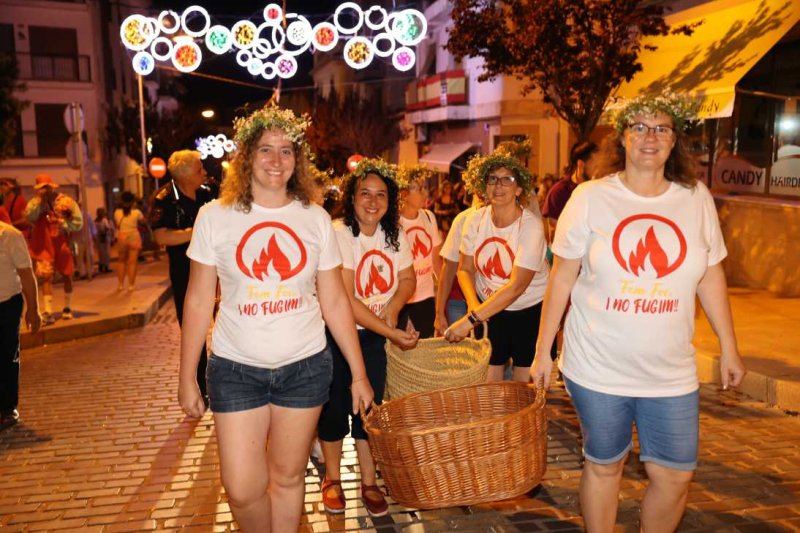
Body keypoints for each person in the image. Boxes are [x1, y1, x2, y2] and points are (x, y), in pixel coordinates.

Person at [530, 92, 747, 532]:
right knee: (605, 465)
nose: (651, 136)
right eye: (640, 127)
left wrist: (730, 347)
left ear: (674, 141)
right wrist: (541, 354)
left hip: (670, 371)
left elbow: (709, 275)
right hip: (598, 367)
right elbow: (562, 278)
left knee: (675, 474)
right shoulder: (591, 197)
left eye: (662, 128)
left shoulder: (695, 198)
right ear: (622, 138)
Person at [178, 105, 373, 532]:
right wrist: (186, 375)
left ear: (297, 160)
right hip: (235, 370)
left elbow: (336, 302)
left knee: (287, 479)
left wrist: (358, 373)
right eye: (265, 149)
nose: (276, 160)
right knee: (243, 488)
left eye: (286, 151)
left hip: (304, 368)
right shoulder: (215, 216)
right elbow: (197, 300)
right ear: (247, 156)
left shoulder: (315, 219)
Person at [318, 158, 419, 518]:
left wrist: (391, 312)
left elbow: (408, 280)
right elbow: (345, 299)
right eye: (365, 194)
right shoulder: (338, 233)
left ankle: (369, 480)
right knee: (333, 408)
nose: (373, 202)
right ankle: (332, 478)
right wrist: (390, 330)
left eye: (381, 195)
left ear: (390, 200)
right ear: (352, 197)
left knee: (370, 410)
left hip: (375, 338)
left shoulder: (397, 235)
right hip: (335, 336)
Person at [443, 154, 554, 382]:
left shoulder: (530, 226)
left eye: (507, 180)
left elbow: (516, 287)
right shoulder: (474, 220)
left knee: (524, 388)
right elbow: (464, 269)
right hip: (488, 307)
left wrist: (470, 320)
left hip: (530, 309)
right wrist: (474, 305)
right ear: (484, 186)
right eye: (492, 179)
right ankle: (496, 420)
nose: (498, 185)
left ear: (519, 190)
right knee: (489, 383)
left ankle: (520, 419)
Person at [150, 150, 215, 402]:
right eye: (200, 169)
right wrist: (197, 232)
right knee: (192, 327)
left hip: (215, 268)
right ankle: (201, 385)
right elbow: (161, 236)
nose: (205, 173)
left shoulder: (209, 192)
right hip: (184, 271)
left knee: (221, 323)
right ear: (186, 175)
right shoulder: (165, 198)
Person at [24, 174, 83, 322]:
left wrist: (63, 224)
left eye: (46, 187)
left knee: (67, 274)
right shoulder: (35, 202)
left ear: (52, 186)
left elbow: (78, 223)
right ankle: (48, 312)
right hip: (43, 244)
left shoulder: (66, 202)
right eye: (40, 188)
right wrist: (39, 201)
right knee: (46, 277)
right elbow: (29, 216)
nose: (44, 190)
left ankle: (67, 307)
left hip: (62, 243)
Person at [0, 221, 41, 431]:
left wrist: (33, 309)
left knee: (7, 354)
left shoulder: (10, 235)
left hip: (7, 303)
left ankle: (8, 408)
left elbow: (26, 273)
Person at [398, 164, 442, 338]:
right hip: (402, 300)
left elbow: (436, 260)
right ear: (404, 194)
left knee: (425, 350)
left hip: (425, 296)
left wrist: (442, 300)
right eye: (420, 189)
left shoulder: (429, 217)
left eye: (425, 188)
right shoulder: (394, 223)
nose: (426, 193)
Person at [434, 192, 482, 335]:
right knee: (459, 352)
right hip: (459, 300)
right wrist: (439, 313)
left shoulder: (511, 218)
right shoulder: (463, 220)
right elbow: (448, 269)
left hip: (494, 303)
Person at [542, 141, 597, 244]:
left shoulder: (599, 189)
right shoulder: (559, 191)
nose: (597, 168)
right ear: (580, 163)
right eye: (594, 163)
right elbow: (554, 234)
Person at [114, 191, 145, 291]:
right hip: (133, 237)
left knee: (121, 261)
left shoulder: (117, 213)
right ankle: (131, 285)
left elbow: (117, 224)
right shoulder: (137, 213)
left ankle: (120, 285)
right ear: (133, 202)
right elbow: (143, 221)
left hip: (122, 237)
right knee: (132, 262)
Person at [94, 207, 114, 273]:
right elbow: (108, 228)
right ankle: (105, 266)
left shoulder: (95, 221)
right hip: (104, 238)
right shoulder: (104, 220)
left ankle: (102, 266)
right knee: (106, 253)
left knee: (101, 253)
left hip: (99, 238)